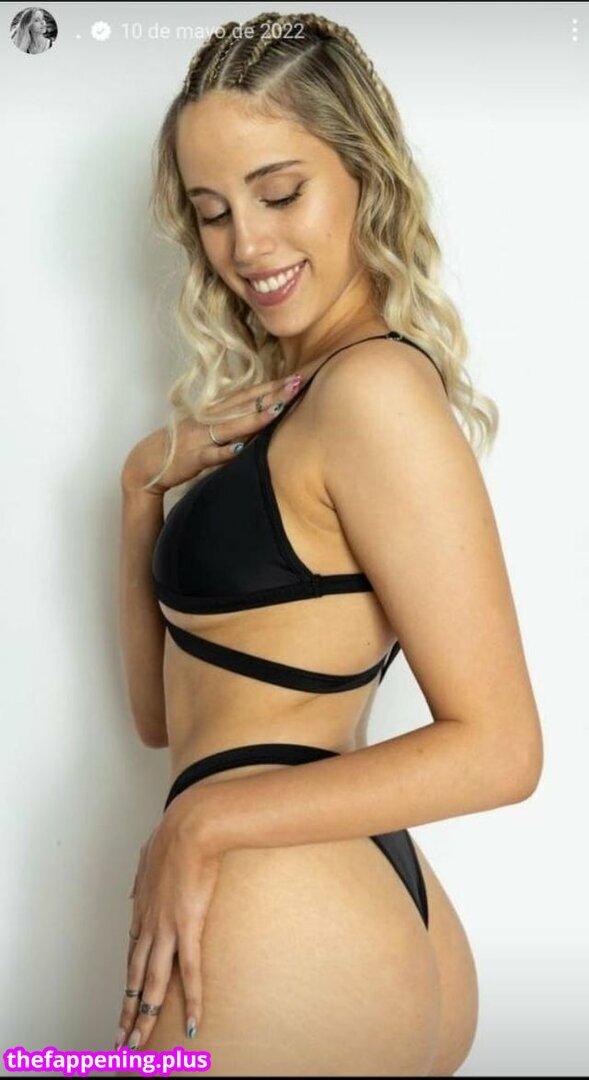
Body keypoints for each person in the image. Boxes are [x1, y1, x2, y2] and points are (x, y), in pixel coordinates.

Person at [116, 11, 544, 1076]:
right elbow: (162, 720)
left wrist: (205, 825)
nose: (246, 247)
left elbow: (501, 750)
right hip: (320, 904)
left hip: (286, 910)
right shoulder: (306, 398)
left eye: (279, 193)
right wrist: (137, 488)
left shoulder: (373, 391)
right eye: (212, 213)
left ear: (363, 173)